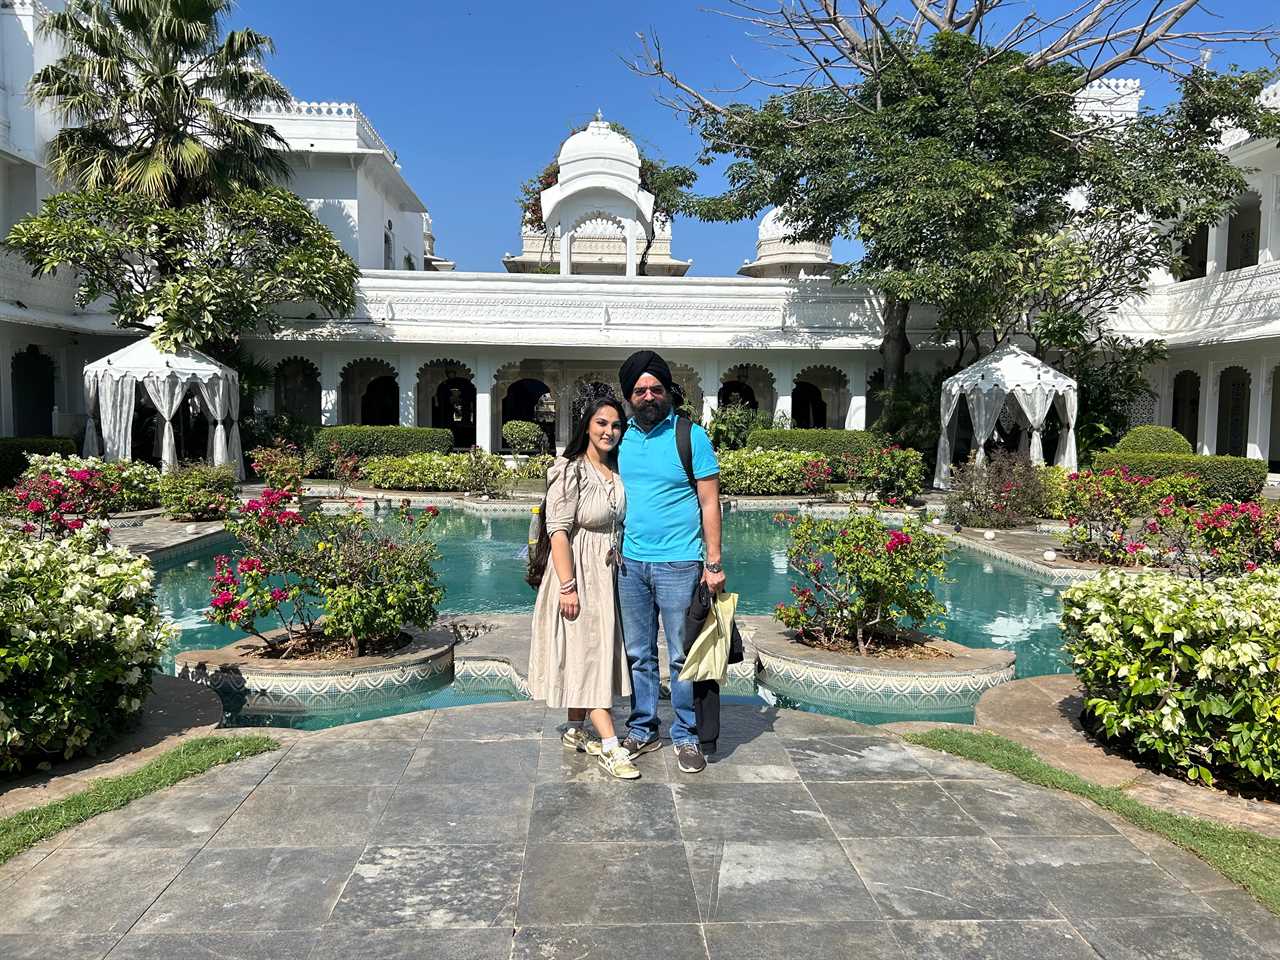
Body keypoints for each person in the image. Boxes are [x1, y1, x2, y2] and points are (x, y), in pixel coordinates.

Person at [615, 350, 725, 774]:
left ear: (668, 392)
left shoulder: (689, 435)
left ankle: (686, 734)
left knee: (682, 654)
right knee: (639, 653)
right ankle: (643, 727)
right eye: (640, 390)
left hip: (680, 563)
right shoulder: (619, 437)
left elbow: (709, 501)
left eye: (655, 389)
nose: (648, 396)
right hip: (629, 563)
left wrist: (712, 563)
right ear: (629, 396)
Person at [527, 397, 639, 780]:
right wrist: (568, 587)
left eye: (616, 425)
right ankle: (611, 745)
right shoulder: (569, 470)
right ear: (586, 426)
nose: (609, 431)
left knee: (589, 651)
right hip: (577, 572)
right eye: (602, 423)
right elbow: (557, 531)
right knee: (589, 654)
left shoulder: (615, 468)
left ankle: (575, 728)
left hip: (608, 573)